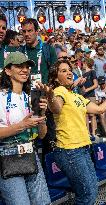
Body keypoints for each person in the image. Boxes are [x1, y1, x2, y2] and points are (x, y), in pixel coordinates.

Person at [37, 59, 106, 205]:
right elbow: (56, 108)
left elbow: (100, 109)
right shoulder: (59, 91)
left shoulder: (76, 96)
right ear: (56, 78)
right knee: (87, 194)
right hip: (69, 150)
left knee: (91, 190)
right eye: (63, 71)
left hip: (83, 148)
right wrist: (50, 95)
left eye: (69, 70)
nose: (69, 72)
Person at [0, 51, 51, 205]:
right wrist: (21, 126)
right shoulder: (0, 97)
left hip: (31, 154)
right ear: (8, 70)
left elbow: (42, 135)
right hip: (7, 157)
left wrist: (42, 115)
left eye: (27, 66)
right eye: (19, 66)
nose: (25, 70)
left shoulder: (30, 97)